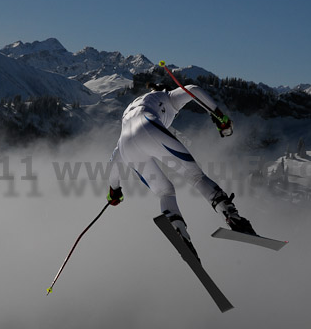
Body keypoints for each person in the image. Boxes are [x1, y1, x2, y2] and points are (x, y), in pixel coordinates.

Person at [106, 82, 256, 261]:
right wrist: (219, 116)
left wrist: (114, 191)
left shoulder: (131, 108)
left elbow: (114, 162)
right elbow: (192, 89)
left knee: (165, 191)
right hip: (147, 126)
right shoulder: (166, 97)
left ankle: (179, 231)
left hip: (125, 145)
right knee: (195, 177)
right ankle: (232, 216)